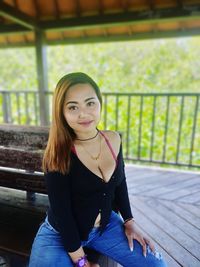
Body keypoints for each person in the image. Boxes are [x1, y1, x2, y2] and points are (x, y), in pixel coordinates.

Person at [28, 72, 167, 267]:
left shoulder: (113, 140)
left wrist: (129, 221)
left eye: (90, 103)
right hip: (60, 234)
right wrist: (82, 262)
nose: (83, 113)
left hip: (105, 227)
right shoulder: (58, 153)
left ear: (99, 103)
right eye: (73, 107)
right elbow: (63, 213)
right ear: (62, 112)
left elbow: (120, 183)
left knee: (156, 265)